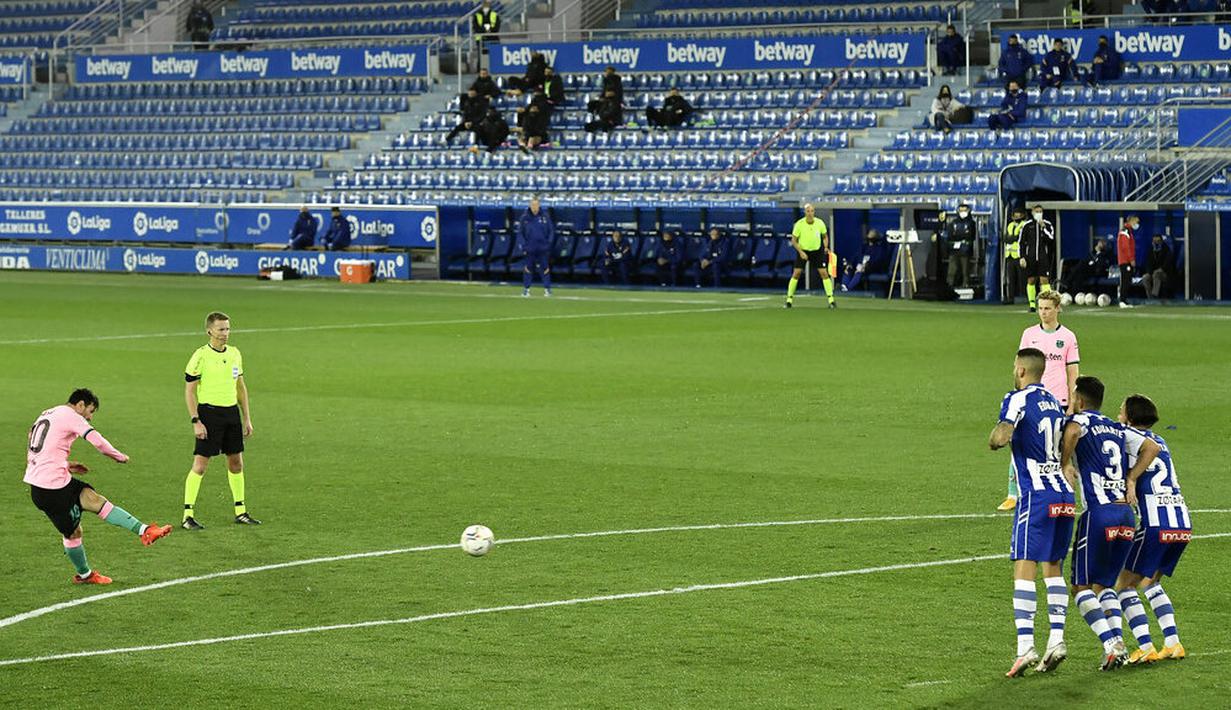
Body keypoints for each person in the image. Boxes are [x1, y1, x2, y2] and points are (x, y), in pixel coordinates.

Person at [989, 348, 1076, 677]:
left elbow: (1001, 435)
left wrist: (997, 438)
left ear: (1022, 371)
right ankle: (1057, 639)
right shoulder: (1055, 403)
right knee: (1052, 567)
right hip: (1064, 497)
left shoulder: (1017, 398)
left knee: (1024, 567)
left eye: (1015, 366)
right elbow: (1070, 434)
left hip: (1036, 496)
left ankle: (1025, 647)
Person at [25, 389, 171, 584]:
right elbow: (98, 442)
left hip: (54, 479)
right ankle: (85, 575)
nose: (90, 417)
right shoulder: (71, 415)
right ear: (80, 405)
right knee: (73, 533)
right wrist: (120, 457)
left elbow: (37, 446)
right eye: (90, 411)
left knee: (93, 498)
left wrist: (65, 465)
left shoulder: (48, 413)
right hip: (50, 489)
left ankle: (145, 530)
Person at [1060, 376, 1134, 670]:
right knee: (1105, 586)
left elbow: (1074, 431)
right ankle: (1118, 647)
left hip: (1100, 514)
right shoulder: (1117, 429)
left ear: (1079, 399)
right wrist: (1131, 479)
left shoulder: (1081, 420)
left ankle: (1111, 643)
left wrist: (1065, 461)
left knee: (1080, 588)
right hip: (1126, 516)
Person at [1115, 393, 1191, 664]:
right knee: (1151, 582)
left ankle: (1145, 646)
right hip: (1181, 523)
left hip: (1155, 524)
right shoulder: (1162, 441)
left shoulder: (1126, 439)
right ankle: (1173, 643)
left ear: (1130, 418)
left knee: (1124, 586)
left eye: (1121, 410)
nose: (1118, 414)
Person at [999, 290, 1080, 511]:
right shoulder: (1029, 334)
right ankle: (1012, 494)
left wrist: (1072, 404)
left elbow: (1073, 373)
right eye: (1040, 308)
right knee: (1021, 442)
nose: (1043, 313)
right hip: (1031, 398)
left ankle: (1068, 490)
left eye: (1047, 308)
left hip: (1058, 400)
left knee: (1063, 447)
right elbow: (1020, 367)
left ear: (1057, 309)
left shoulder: (1068, 337)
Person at [183, 312, 260, 530]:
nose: (225, 333)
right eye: (221, 329)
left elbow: (240, 387)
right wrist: (196, 421)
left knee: (236, 462)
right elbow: (189, 392)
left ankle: (241, 511)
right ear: (210, 331)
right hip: (209, 414)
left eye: (227, 329)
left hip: (231, 415)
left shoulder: (235, 354)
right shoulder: (200, 356)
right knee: (200, 464)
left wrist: (246, 418)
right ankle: (187, 514)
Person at [783, 203, 835, 309]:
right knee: (796, 273)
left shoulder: (820, 223)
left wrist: (825, 246)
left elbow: (825, 237)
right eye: (808, 211)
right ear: (805, 212)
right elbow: (794, 240)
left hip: (817, 251)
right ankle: (789, 300)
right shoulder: (799, 224)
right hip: (803, 251)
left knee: (824, 273)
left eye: (812, 211)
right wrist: (801, 252)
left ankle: (831, 300)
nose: (810, 213)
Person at [1018, 204, 1054, 311]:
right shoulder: (1027, 226)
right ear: (1032, 213)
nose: (1039, 213)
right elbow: (1021, 243)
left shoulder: (1047, 224)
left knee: (1044, 280)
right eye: (1036, 211)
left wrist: (1043, 228)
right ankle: (1032, 304)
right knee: (1031, 280)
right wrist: (1022, 257)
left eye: (1040, 211)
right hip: (1031, 258)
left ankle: (1046, 304)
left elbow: (1051, 239)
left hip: (1043, 257)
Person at [517, 197, 554, 296]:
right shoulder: (524, 218)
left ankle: (547, 289)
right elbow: (520, 233)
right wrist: (523, 246)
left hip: (543, 248)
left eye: (536, 205)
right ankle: (526, 289)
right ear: (530, 205)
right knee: (528, 268)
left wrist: (548, 244)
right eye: (532, 205)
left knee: (545, 268)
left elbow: (551, 232)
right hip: (529, 248)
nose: (534, 207)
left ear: (539, 205)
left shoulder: (545, 217)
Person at [942, 203, 977, 288]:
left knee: (965, 271)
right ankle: (949, 286)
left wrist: (958, 235)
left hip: (965, 250)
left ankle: (966, 285)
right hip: (954, 250)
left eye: (964, 210)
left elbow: (970, 236)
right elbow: (950, 236)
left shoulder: (971, 223)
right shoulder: (953, 223)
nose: (962, 212)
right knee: (952, 270)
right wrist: (960, 236)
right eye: (961, 210)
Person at [1002, 207, 1026, 304]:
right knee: (1011, 278)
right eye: (1015, 215)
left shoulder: (1024, 225)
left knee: (1022, 278)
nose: (1017, 217)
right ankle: (1010, 297)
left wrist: (1011, 238)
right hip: (1010, 255)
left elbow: (1019, 238)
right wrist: (1011, 238)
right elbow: (1005, 238)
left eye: (1019, 215)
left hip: (1020, 255)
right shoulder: (1010, 225)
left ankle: (1023, 296)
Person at [1141, 234, 1175, 300]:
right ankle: (1150, 298)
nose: (1156, 243)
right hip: (1153, 272)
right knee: (1145, 278)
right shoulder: (1151, 251)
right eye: (1154, 241)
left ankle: (1154, 295)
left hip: (1165, 273)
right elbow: (1148, 263)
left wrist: (1161, 269)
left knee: (1156, 274)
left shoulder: (1167, 250)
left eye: (1158, 241)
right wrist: (1148, 272)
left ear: (1161, 241)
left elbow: (1168, 264)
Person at [1117, 215, 1139, 308]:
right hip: (1125, 260)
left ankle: (1124, 300)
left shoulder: (1129, 232)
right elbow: (1126, 247)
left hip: (1127, 260)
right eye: (1136, 221)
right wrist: (1131, 259)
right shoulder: (1125, 232)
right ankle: (1122, 300)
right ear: (1130, 221)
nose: (1137, 224)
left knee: (1128, 280)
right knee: (1125, 280)